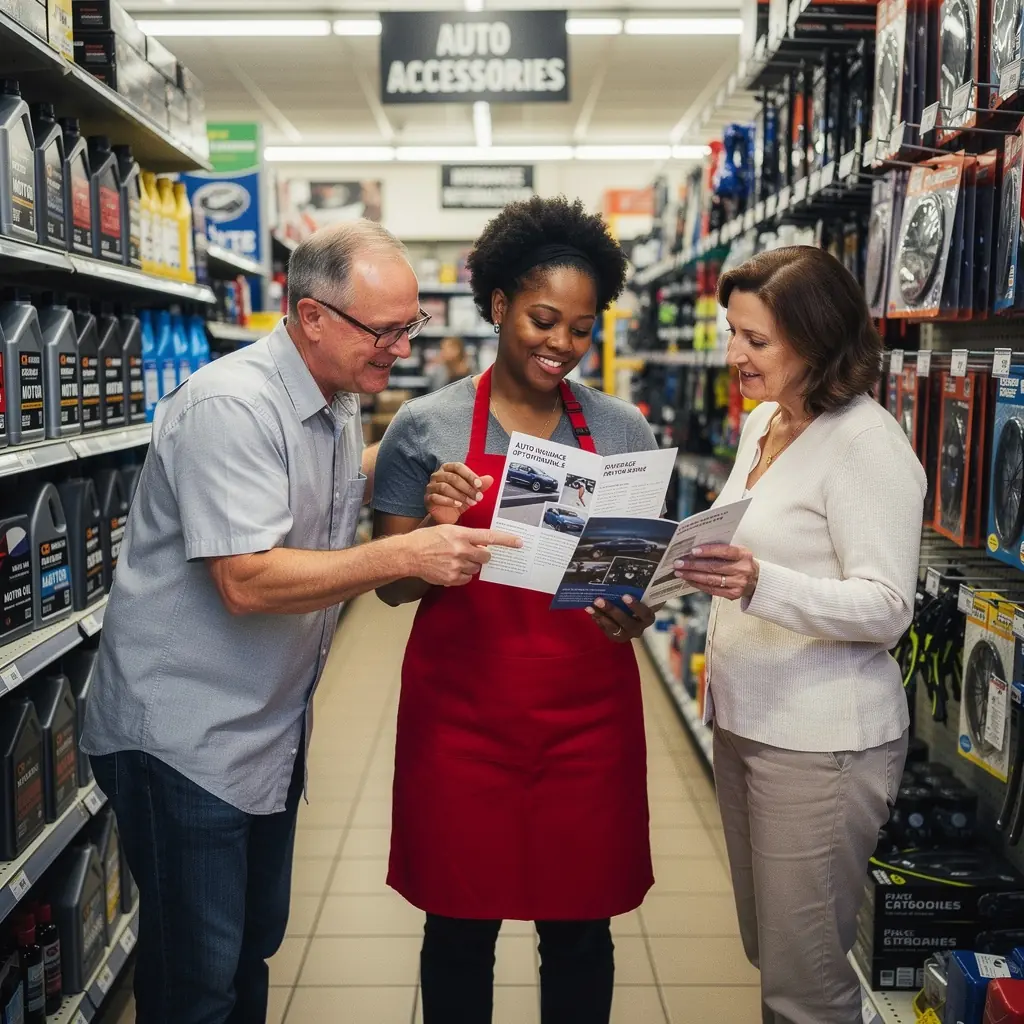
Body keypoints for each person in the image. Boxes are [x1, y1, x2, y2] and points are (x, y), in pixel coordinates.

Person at [80, 221, 520, 1024]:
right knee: (197, 982)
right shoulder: (231, 406)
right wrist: (406, 553)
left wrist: (421, 470)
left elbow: (323, 489)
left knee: (248, 952)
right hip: (183, 740)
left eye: (411, 325)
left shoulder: (334, 398)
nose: (400, 347)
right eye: (384, 330)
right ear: (312, 316)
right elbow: (246, 580)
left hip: (261, 731)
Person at [372, 196, 659, 1024]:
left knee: (581, 928)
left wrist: (636, 611)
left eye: (582, 328)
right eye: (543, 319)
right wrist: (435, 534)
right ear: (498, 305)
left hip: (586, 719)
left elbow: (632, 581)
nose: (561, 343)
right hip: (462, 718)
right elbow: (391, 585)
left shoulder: (622, 431)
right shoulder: (425, 426)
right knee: (459, 927)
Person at [673, 246, 926, 1024]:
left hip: (822, 744)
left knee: (805, 979)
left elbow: (887, 605)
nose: (734, 354)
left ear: (816, 341)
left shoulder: (866, 444)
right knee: (771, 946)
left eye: (756, 339)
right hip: (746, 721)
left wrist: (760, 583)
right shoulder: (763, 422)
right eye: (732, 331)